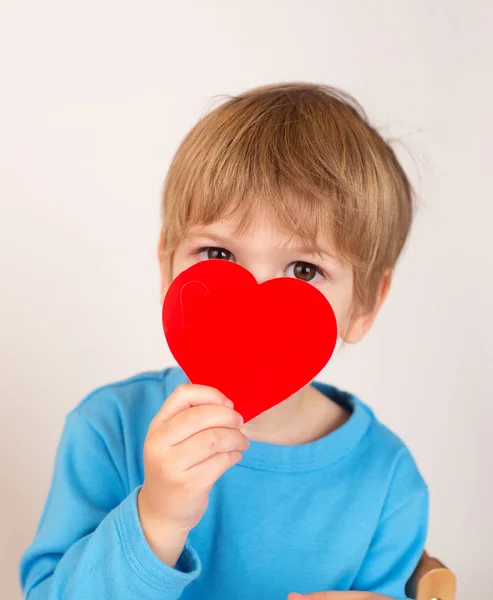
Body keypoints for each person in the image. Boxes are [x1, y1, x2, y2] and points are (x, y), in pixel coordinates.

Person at [19, 82, 428, 600]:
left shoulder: (388, 480)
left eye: (304, 269)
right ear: (168, 265)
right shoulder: (109, 429)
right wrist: (158, 519)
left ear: (367, 303)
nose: (253, 302)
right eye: (216, 254)